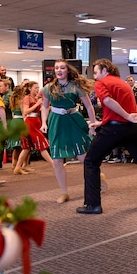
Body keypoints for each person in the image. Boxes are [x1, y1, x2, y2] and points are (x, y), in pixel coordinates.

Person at [77, 59, 137, 214]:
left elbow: (107, 101)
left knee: (91, 161)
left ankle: (93, 205)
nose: (94, 76)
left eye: (96, 72)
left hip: (116, 129)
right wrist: (103, 122)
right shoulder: (123, 83)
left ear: (105, 70)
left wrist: (125, 116)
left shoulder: (102, 83)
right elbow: (117, 108)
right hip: (130, 128)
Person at [40, 59, 99, 204]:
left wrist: (92, 124)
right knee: (57, 160)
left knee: (83, 158)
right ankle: (64, 192)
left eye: (62, 68)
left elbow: (89, 106)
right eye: (57, 68)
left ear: (67, 70)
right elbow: (44, 106)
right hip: (56, 122)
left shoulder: (75, 86)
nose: (59, 70)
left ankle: (98, 178)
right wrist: (43, 122)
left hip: (73, 121)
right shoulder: (48, 88)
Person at [15, 81, 55, 175]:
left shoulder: (36, 98)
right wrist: (37, 104)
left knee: (27, 148)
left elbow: (43, 108)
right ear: (30, 88)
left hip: (35, 122)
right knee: (41, 145)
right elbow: (25, 111)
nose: (38, 89)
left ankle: (17, 167)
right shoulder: (27, 98)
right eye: (35, 88)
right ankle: (54, 164)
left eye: (38, 87)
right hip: (30, 123)